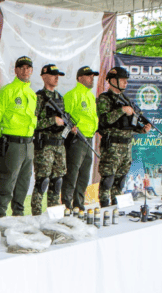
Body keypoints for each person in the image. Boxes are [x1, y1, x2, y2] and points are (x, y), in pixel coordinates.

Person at [96, 66, 151, 207]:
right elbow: (104, 120)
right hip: (112, 145)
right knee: (108, 178)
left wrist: (142, 129)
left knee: (120, 179)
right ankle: (103, 205)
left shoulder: (126, 99)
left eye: (126, 80)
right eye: (122, 80)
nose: (126, 83)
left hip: (126, 145)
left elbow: (129, 124)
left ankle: (116, 204)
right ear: (113, 81)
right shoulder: (104, 98)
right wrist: (121, 111)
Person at [0, 56, 37, 222]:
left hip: (28, 144)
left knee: (24, 183)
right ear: (16, 70)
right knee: (7, 182)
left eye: (28, 68)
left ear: (31, 71)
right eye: (22, 68)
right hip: (12, 144)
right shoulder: (7, 91)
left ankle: (18, 217)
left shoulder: (32, 94)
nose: (25, 71)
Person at [62, 65, 100, 210]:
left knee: (84, 175)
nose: (92, 78)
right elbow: (64, 117)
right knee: (72, 173)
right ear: (80, 78)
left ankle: (79, 206)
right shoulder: (72, 95)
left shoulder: (90, 96)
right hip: (76, 140)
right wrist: (71, 130)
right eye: (89, 75)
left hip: (89, 139)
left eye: (93, 76)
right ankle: (66, 206)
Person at [31, 64, 67, 216]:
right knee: (42, 182)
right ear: (44, 77)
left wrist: (68, 126)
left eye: (58, 75)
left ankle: (54, 214)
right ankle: (37, 215)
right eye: (53, 75)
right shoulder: (38, 97)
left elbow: (63, 120)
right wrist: (52, 121)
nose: (56, 77)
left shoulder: (59, 97)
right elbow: (33, 123)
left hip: (59, 145)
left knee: (57, 182)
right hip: (44, 146)